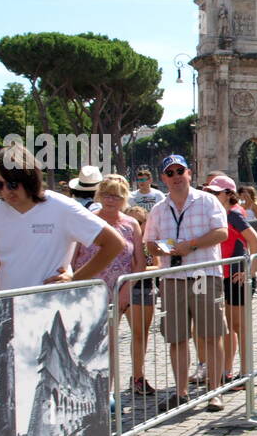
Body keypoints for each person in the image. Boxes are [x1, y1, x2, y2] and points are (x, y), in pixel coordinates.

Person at [0, 144, 126, 436]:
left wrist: (75, 279)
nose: (5, 193)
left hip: (52, 314)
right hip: (8, 314)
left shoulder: (61, 208)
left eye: (11, 184)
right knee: (10, 400)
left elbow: (113, 243)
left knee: (53, 395)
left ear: (29, 178)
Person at [142, 154, 230, 413]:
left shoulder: (208, 201)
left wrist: (189, 245)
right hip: (172, 278)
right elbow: (149, 244)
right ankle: (180, 393)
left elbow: (221, 232)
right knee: (176, 337)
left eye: (180, 170)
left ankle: (215, 391)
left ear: (189, 173)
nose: (176, 176)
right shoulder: (158, 209)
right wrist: (171, 249)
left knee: (212, 335)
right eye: (170, 173)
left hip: (204, 274)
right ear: (163, 178)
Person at [206, 175, 257, 384]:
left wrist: (251, 272)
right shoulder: (218, 214)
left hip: (237, 277)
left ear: (229, 194)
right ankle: (227, 370)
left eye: (215, 193)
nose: (210, 195)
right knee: (229, 327)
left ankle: (246, 371)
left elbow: (255, 242)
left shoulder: (234, 216)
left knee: (239, 326)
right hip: (224, 275)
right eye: (210, 192)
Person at [69, 173, 143, 312]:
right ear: (99, 196)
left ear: (124, 198)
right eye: (106, 195)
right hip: (85, 292)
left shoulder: (132, 224)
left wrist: (126, 290)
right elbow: (72, 258)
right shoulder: (87, 220)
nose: (110, 200)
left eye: (116, 196)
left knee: (112, 333)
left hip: (116, 292)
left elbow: (140, 263)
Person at [124, 205, 159, 396]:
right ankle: (137, 376)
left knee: (143, 334)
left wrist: (138, 270)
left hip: (146, 288)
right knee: (137, 333)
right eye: (132, 221)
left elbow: (158, 265)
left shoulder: (148, 242)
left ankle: (138, 374)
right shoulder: (123, 242)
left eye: (139, 221)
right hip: (129, 289)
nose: (135, 225)